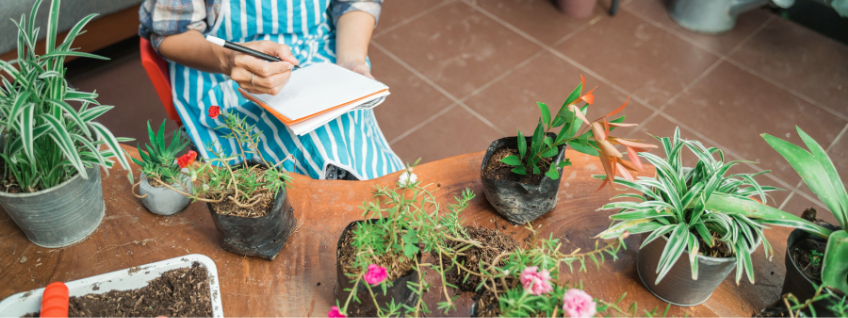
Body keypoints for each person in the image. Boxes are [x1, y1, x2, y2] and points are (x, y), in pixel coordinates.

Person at [139, 0, 402, 180]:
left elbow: (355, 3)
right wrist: (227, 59)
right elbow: (170, 34)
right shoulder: (225, 60)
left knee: (345, 143)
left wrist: (351, 60)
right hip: (224, 69)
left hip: (318, 54)